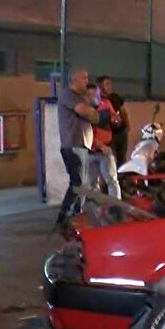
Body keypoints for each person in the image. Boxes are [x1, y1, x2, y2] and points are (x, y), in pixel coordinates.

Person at [55, 68, 105, 230]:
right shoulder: (67, 95)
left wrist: (91, 112)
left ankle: (75, 215)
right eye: (83, 78)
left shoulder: (82, 97)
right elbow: (86, 112)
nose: (86, 80)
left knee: (82, 183)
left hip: (82, 146)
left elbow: (95, 116)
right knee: (78, 183)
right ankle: (65, 217)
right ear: (73, 80)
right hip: (73, 145)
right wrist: (90, 112)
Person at [88, 83, 121, 200]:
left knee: (112, 180)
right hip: (90, 152)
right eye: (91, 94)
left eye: (96, 94)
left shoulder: (106, 104)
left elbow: (115, 121)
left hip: (106, 150)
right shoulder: (83, 110)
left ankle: (116, 208)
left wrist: (116, 120)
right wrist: (100, 146)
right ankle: (96, 207)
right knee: (92, 183)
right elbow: (86, 132)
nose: (95, 96)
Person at [97, 75, 130, 166]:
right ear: (100, 86)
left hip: (121, 132)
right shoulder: (98, 100)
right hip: (109, 135)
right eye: (107, 84)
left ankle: (122, 178)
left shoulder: (115, 97)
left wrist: (127, 125)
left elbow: (123, 112)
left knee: (122, 158)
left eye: (110, 84)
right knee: (111, 159)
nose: (110, 86)